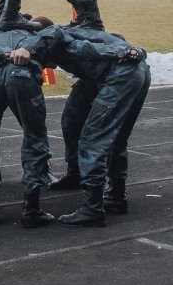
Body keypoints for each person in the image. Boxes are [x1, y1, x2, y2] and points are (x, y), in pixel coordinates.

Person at [13, 25, 150, 226]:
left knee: (93, 140)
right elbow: (116, 38)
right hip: (132, 70)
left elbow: (52, 31)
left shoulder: (58, 38)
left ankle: (93, 209)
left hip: (120, 75)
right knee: (107, 134)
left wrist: (27, 48)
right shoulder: (81, 32)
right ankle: (115, 196)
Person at [0, 21, 54, 228]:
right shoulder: (38, 34)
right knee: (34, 137)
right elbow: (56, 35)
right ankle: (31, 209)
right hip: (22, 72)